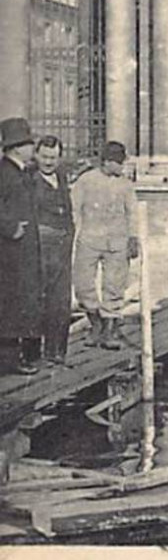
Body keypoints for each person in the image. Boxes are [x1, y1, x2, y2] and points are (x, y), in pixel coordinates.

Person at [71, 140, 140, 351]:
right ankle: (95, 323)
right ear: (108, 161)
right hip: (90, 240)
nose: (121, 167)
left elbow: (133, 213)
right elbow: (74, 209)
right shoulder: (86, 181)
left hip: (117, 242)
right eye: (118, 163)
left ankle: (109, 330)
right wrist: (72, 236)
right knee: (82, 285)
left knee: (114, 286)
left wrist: (133, 238)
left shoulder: (126, 185)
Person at [0, 118, 43, 375]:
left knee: (19, 300)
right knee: (11, 302)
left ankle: (15, 358)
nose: (32, 148)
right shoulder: (5, 172)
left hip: (21, 251)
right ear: (17, 147)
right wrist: (10, 228)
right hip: (10, 252)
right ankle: (10, 361)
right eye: (29, 144)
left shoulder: (18, 171)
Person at [31, 135, 74, 365]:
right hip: (40, 247)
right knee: (39, 299)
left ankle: (58, 351)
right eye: (45, 157)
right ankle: (36, 353)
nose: (48, 162)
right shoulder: (29, 179)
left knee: (61, 301)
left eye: (53, 157)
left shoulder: (62, 177)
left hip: (63, 247)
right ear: (36, 155)